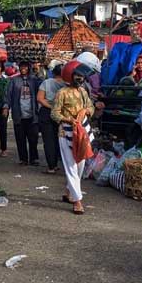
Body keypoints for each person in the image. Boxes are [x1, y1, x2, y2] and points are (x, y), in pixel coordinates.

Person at [51, 61, 95, 215]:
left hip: (81, 132)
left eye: (82, 76)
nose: (80, 78)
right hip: (66, 132)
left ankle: (69, 192)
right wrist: (67, 120)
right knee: (71, 166)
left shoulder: (83, 91)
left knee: (80, 164)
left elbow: (91, 107)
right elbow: (54, 113)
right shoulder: (62, 92)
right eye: (77, 75)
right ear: (70, 76)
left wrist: (85, 112)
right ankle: (77, 201)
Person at [6, 61, 42, 165]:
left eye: (25, 66)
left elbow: (42, 84)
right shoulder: (14, 81)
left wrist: (37, 71)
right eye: (21, 66)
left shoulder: (34, 80)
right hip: (19, 114)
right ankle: (23, 159)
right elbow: (8, 95)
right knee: (20, 138)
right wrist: (6, 107)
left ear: (29, 67)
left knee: (33, 138)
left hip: (32, 114)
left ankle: (34, 158)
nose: (23, 68)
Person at [37, 64, 66, 173]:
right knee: (59, 139)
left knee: (48, 140)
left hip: (46, 113)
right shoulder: (67, 85)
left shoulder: (46, 82)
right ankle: (59, 164)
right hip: (61, 114)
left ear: (53, 73)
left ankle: (51, 166)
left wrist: (51, 107)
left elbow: (40, 99)